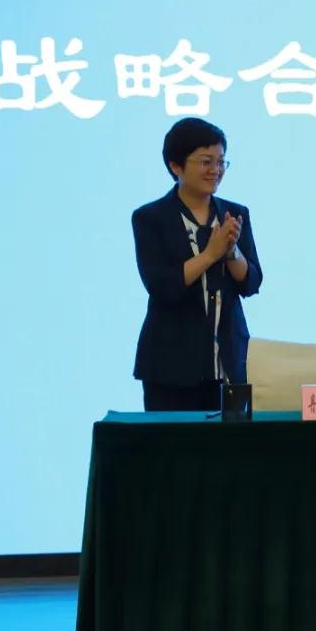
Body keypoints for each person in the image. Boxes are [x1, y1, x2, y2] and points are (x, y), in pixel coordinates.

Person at [132, 118, 263, 412]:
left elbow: (251, 282)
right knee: (174, 440)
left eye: (221, 162)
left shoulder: (234, 213)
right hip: (170, 366)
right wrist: (210, 254)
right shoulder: (150, 218)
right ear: (176, 166)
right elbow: (161, 286)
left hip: (229, 361)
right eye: (206, 162)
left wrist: (231, 252)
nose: (215, 170)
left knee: (231, 441)